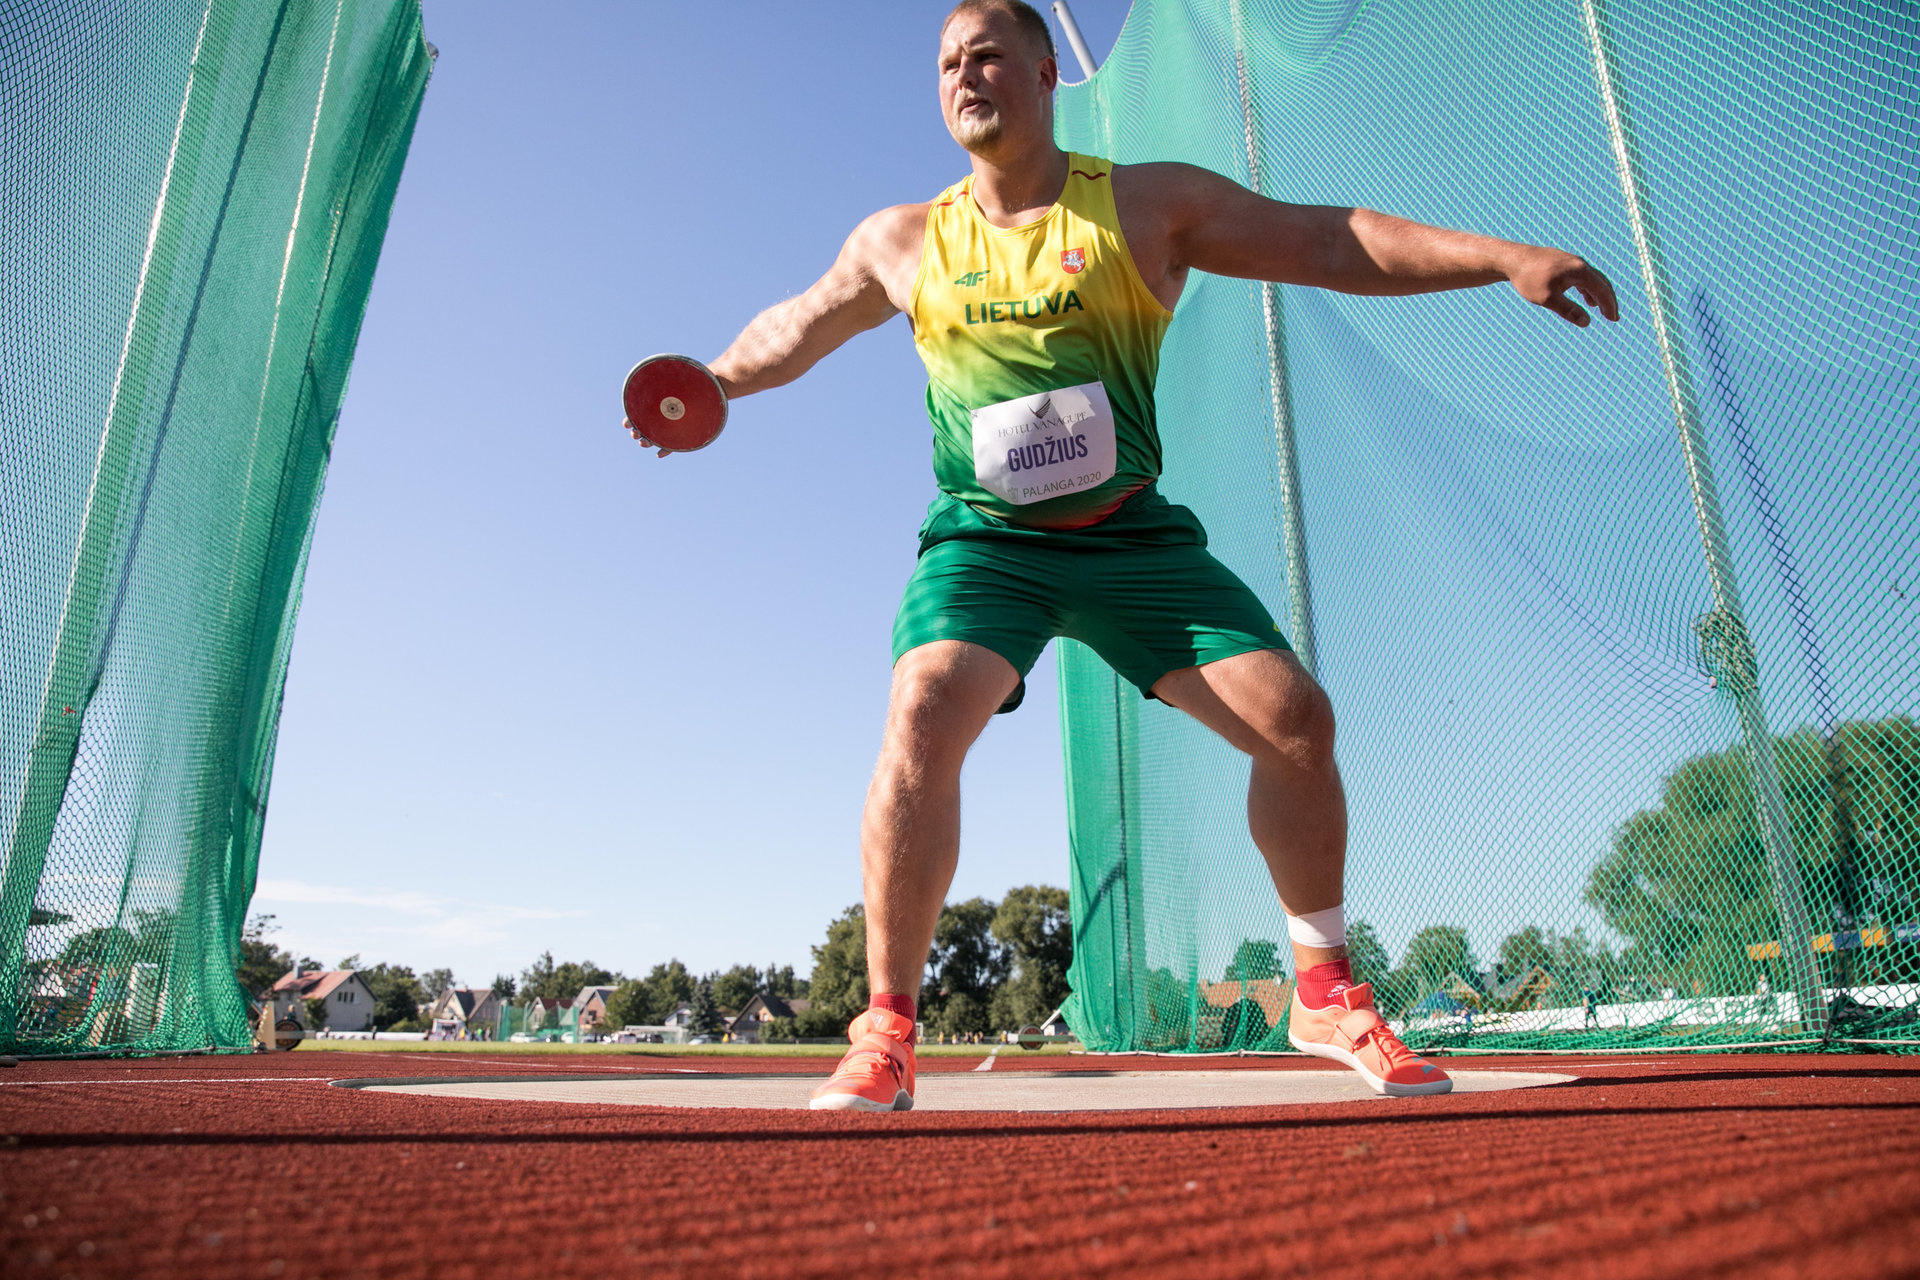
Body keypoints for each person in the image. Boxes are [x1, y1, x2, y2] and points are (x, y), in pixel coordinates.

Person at [628, 0, 1618, 1110]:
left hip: (1133, 538)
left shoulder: (1147, 205)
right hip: (987, 545)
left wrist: (1500, 257)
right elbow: (800, 322)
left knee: (1296, 720)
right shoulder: (902, 240)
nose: (965, 74)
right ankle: (888, 1028)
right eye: (948, 62)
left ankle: (1325, 991)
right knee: (922, 709)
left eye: (988, 53)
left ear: (1049, 74)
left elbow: (1325, 238)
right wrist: (716, 377)